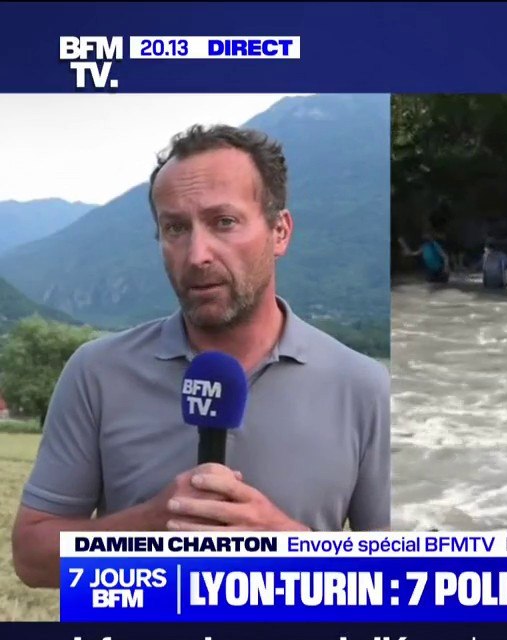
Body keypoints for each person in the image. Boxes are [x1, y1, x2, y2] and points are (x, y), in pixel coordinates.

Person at [11, 124, 391, 588]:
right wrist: (149, 527)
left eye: (223, 222)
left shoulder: (364, 387)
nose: (197, 255)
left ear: (279, 232)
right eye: (175, 228)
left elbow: (403, 585)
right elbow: (31, 558)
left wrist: (291, 547)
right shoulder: (97, 373)